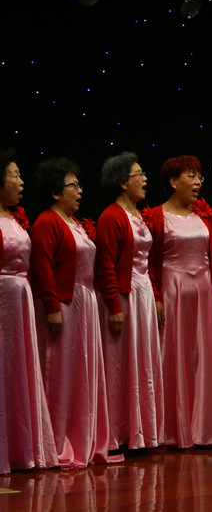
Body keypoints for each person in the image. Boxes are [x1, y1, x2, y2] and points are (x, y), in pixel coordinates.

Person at [30, 157, 118, 468]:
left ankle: (83, 438)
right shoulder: (47, 222)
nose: (80, 191)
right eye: (73, 186)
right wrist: (53, 307)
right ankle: (56, 441)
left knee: (82, 372)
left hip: (85, 304)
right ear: (56, 192)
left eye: (79, 185)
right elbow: (42, 268)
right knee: (60, 373)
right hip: (63, 305)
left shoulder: (75, 223)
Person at [147, 155, 212, 448]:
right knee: (173, 356)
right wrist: (157, 296)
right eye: (191, 176)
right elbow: (150, 261)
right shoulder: (157, 216)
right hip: (173, 290)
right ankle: (172, 429)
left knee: (203, 358)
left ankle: (204, 428)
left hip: (204, 291)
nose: (197, 183)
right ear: (173, 181)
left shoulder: (204, 215)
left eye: (199, 177)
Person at [95, 151, 164, 451]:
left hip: (143, 293)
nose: (145, 179)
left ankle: (143, 431)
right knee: (121, 363)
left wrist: (156, 297)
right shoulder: (111, 216)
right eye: (139, 174)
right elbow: (106, 265)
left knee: (143, 362)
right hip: (124, 295)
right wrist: (113, 305)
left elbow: (149, 262)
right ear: (123, 182)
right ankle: (120, 432)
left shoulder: (139, 215)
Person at [0, 148, 58, 474]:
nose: (21, 182)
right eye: (15, 175)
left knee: (18, 370)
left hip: (19, 299)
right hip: (3, 300)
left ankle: (22, 447)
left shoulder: (13, 218)